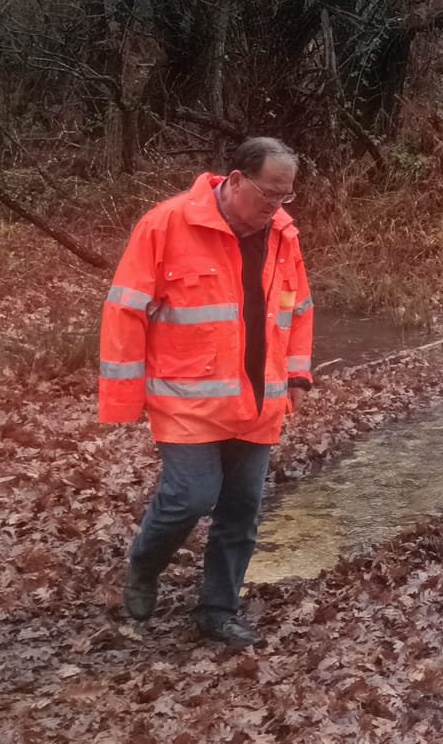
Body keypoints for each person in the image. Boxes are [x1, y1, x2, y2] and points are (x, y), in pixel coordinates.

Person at [97, 137, 315, 647]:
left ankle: (218, 610)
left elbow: (299, 308)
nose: (276, 207)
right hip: (186, 399)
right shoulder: (166, 224)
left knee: (241, 511)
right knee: (190, 496)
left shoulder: (283, 233)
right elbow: (125, 312)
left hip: (259, 401)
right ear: (235, 180)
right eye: (268, 195)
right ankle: (145, 566)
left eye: (286, 197)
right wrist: (124, 399)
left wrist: (299, 376)